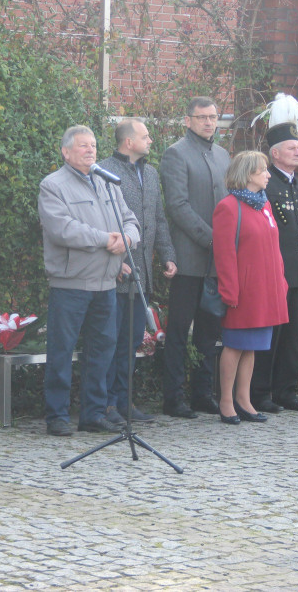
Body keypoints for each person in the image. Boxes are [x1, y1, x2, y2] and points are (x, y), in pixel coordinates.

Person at [39, 125, 140, 436]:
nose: (90, 150)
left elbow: (131, 221)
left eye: (93, 145)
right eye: (83, 146)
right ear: (66, 152)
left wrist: (127, 240)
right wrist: (104, 239)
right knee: (62, 350)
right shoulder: (52, 185)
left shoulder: (108, 182)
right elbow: (62, 228)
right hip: (71, 284)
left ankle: (93, 414)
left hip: (106, 284)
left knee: (102, 351)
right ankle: (56, 415)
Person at [97, 119, 176, 424]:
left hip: (141, 273)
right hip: (115, 272)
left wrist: (167, 254)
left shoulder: (151, 173)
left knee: (131, 342)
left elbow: (158, 218)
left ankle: (125, 401)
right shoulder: (105, 171)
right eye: (145, 136)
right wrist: (114, 262)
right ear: (128, 142)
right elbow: (100, 219)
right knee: (110, 341)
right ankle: (105, 405)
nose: (151, 140)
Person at [158, 97, 230, 418]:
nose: (208, 123)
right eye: (202, 117)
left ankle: (203, 394)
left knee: (208, 332)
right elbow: (177, 206)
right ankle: (173, 397)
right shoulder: (176, 153)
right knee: (178, 330)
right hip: (188, 258)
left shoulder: (223, 155)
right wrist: (212, 238)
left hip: (217, 262)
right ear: (187, 120)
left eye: (213, 117)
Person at [212, 151, 288, 425]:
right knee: (234, 345)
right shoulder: (229, 207)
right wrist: (230, 291)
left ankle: (244, 399)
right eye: (263, 170)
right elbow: (224, 254)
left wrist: (280, 280)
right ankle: (226, 401)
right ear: (248, 174)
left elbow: (274, 247)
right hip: (243, 291)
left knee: (252, 346)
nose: (268, 174)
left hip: (264, 289)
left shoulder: (263, 205)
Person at [250, 120, 298, 413]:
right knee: (270, 336)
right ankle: (260, 392)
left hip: (297, 273)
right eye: (291, 148)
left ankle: (286, 390)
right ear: (275, 153)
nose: (297, 152)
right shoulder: (267, 184)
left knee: (291, 336)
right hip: (274, 273)